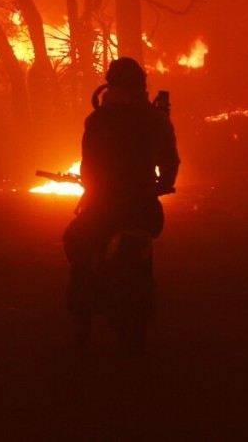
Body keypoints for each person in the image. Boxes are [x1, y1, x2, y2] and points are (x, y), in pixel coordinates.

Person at [62, 57, 180, 329]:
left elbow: (88, 162)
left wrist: (92, 188)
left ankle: (84, 299)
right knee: (145, 238)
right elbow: (170, 161)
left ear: (110, 85)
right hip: (143, 207)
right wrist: (163, 184)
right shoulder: (155, 119)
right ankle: (140, 304)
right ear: (141, 86)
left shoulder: (96, 120)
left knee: (76, 240)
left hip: (101, 206)